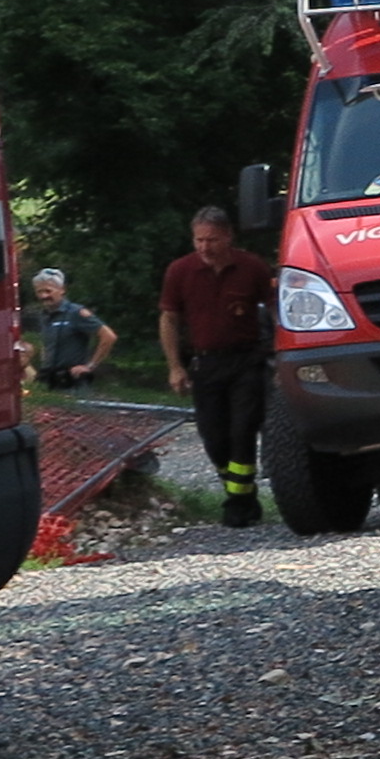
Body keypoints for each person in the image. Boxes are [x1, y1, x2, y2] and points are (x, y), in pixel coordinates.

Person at [159, 205, 275, 527]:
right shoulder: (180, 271)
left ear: (228, 237)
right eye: (199, 240)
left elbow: (277, 308)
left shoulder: (252, 267)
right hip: (206, 364)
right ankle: (241, 491)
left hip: (246, 361)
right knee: (214, 437)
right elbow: (169, 319)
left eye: (211, 240)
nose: (204, 247)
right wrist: (175, 367)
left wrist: (282, 351)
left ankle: (239, 503)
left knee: (242, 431)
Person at [30, 266, 116, 391]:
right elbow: (46, 344)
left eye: (48, 291)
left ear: (62, 290)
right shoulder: (44, 315)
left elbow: (109, 336)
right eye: (39, 292)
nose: (44, 296)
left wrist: (90, 366)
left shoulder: (75, 313)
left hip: (72, 382)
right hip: (51, 381)